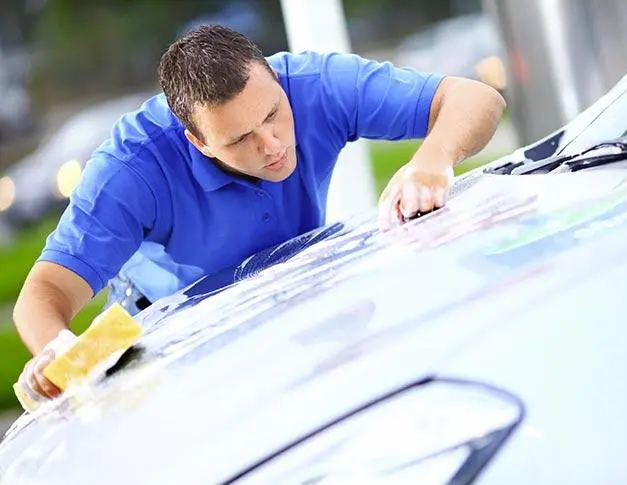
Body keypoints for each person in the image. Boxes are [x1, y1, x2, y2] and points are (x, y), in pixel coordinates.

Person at [13, 25, 505, 405]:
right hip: (175, 351)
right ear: (197, 141)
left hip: (297, 297)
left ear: (273, 76)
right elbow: (44, 293)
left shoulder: (314, 84)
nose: (271, 145)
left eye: (272, 114)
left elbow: (475, 98)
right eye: (239, 139)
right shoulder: (131, 168)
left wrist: (433, 158)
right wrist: (57, 349)